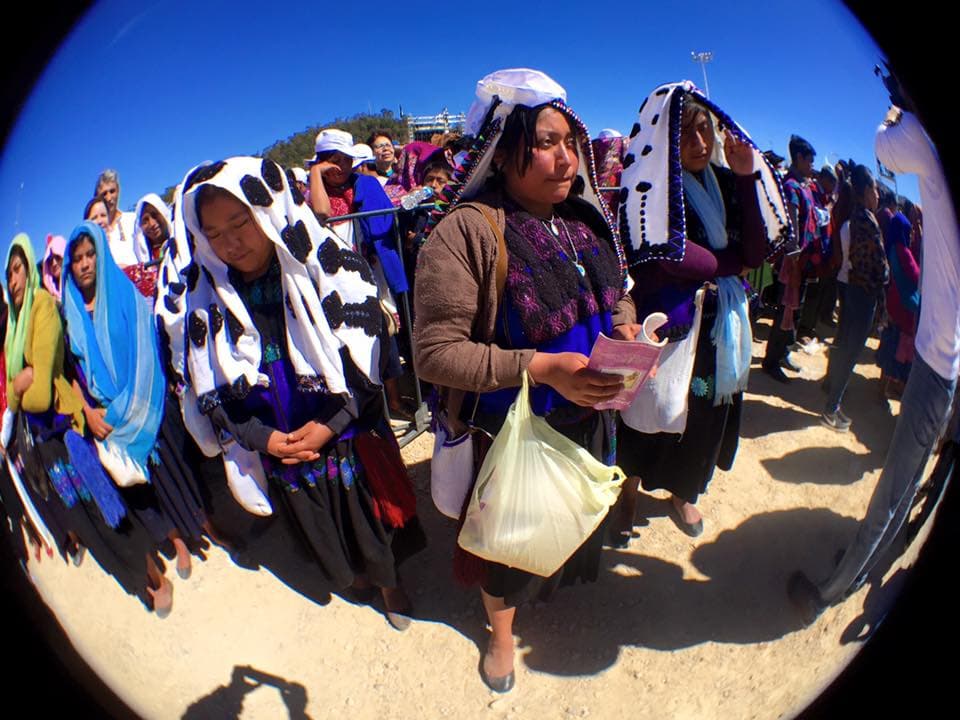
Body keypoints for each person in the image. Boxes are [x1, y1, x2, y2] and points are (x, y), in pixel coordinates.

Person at [414, 68, 636, 693]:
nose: (567, 157)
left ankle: (554, 574)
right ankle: (502, 635)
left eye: (570, 140)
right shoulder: (467, 232)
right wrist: (538, 368)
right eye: (545, 141)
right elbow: (435, 352)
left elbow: (614, 295)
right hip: (515, 431)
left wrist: (627, 331)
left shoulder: (585, 221)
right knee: (505, 547)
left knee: (567, 517)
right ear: (501, 151)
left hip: (589, 413)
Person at [155, 156, 425, 630]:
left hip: (344, 437)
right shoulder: (210, 303)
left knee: (367, 514)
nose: (230, 241)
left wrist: (328, 426)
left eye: (240, 222)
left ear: (270, 208)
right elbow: (211, 390)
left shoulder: (326, 269)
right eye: (214, 234)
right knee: (323, 525)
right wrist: (264, 440)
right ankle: (355, 578)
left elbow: (368, 363)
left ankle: (390, 584)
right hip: (284, 450)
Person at [789, 98, 960, 622]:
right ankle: (869, 559)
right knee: (906, 483)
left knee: (895, 487)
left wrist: (896, 112)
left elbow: (887, 146)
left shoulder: (931, 163)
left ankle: (832, 589)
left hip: (938, 365)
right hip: (941, 362)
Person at [617, 82, 786, 539]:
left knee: (704, 415)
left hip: (717, 329)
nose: (700, 144)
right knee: (648, 410)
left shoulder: (727, 184)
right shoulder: (651, 192)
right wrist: (732, 263)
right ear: (666, 140)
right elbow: (672, 254)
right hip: (669, 324)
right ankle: (627, 491)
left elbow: (755, 247)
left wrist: (748, 175)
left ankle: (682, 491)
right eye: (687, 134)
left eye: (705, 132)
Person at [4, 233, 168, 613]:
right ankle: (134, 584)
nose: (13, 280)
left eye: (18, 270)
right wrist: (18, 384)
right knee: (86, 520)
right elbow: (16, 394)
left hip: (64, 431)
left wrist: (23, 384)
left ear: (30, 272)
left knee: (105, 509)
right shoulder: (15, 327)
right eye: (8, 272)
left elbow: (42, 393)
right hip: (44, 444)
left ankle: (154, 578)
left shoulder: (43, 307)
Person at [62, 221, 212, 610]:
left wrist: (128, 405)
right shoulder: (71, 318)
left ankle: (205, 529)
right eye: (76, 259)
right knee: (143, 488)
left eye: (89, 254)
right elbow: (70, 373)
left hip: (144, 401)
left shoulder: (124, 293)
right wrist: (90, 413)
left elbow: (145, 348)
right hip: (107, 419)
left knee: (170, 469)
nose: (84, 264)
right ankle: (178, 541)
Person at [309, 128, 414, 421]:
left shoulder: (366, 185)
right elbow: (320, 214)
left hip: (371, 274)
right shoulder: (313, 192)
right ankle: (362, 406)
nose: (341, 167)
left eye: (346, 159)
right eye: (333, 160)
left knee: (385, 334)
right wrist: (316, 175)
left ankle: (393, 400)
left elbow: (381, 226)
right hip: (335, 279)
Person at [820, 165, 888, 432]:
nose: (878, 195)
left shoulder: (855, 218)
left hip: (854, 290)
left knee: (844, 346)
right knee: (850, 353)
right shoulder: (866, 221)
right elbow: (877, 265)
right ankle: (831, 408)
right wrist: (884, 278)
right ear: (865, 191)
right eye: (874, 189)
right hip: (863, 294)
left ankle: (832, 400)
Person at [762, 135, 819, 382]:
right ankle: (771, 361)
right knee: (785, 310)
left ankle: (783, 352)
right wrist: (794, 255)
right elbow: (792, 224)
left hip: (802, 261)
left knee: (794, 311)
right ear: (799, 158)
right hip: (793, 261)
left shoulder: (802, 185)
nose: (812, 165)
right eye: (810, 160)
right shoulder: (791, 186)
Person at [876, 198, 920, 399]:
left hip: (895, 301)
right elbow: (916, 276)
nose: (911, 234)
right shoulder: (903, 251)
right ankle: (884, 391)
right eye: (909, 230)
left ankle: (884, 388)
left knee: (890, 348)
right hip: (902, 306)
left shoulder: (894, 248)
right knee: (895, 350)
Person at [94, 169, 137, 268]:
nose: (109, 198)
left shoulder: (133, 219)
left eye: (112, 191)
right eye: (104, 194)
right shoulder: (97, 232)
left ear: (118, 191)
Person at [40, 234, 66, 304]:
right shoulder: (48, 298)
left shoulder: (79, 283)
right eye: (50, 261)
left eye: (57, 257)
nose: (54, 264)